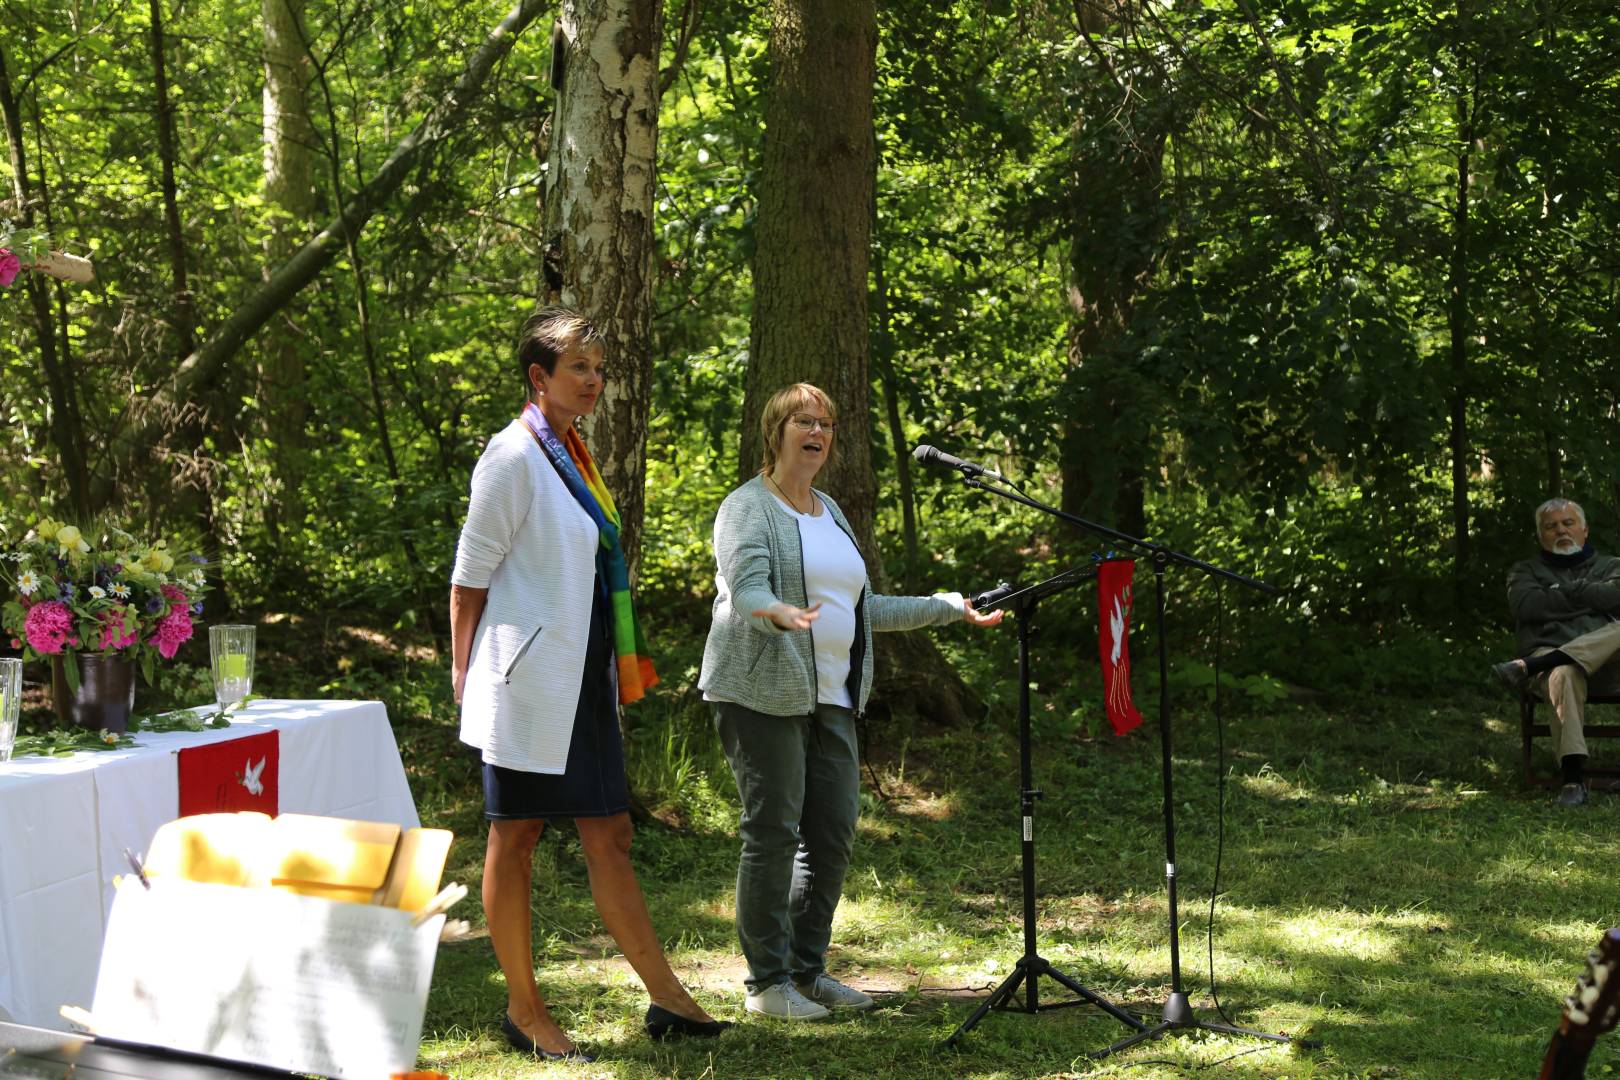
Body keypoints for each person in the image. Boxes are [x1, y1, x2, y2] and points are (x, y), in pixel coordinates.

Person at [450, 307, 726, 1061]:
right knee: (517, 834)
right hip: (524, 683)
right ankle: (524, 1008)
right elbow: (468, 582)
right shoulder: (511, 456)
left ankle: (668, 998)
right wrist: (462, 677)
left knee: (611, 831)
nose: (594, 379)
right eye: (579, 366)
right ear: (539, 377)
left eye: (599, 366)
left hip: (583, 677)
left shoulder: (573, 453)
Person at [698, 382, 1004, 1021]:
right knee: (773, 833)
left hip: (833, 697)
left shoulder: (829, 510)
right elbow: (746, 588)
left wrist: (947, 608)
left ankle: (808, 973)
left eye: (826, 423)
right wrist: (775, 613)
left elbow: (864, 610)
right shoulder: (748, 508)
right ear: (775, 430)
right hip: (761, 694)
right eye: (802, 420)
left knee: (832, 834)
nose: (816, 431)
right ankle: (767, 983)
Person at [1491, 497, 1620, 806]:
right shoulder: (1525, 571)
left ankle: (1530, 665)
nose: (1561, 531)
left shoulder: (1612, 565)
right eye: (1551, 526)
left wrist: (1560, 594)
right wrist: (1592, 596)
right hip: (1553, 660)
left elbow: (1617, 596)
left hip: (1610, 667)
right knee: (1563, 671)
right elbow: (1527, 605)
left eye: (1568, 523)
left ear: (1585, 530)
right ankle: (1573, 780)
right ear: (1540, 535)